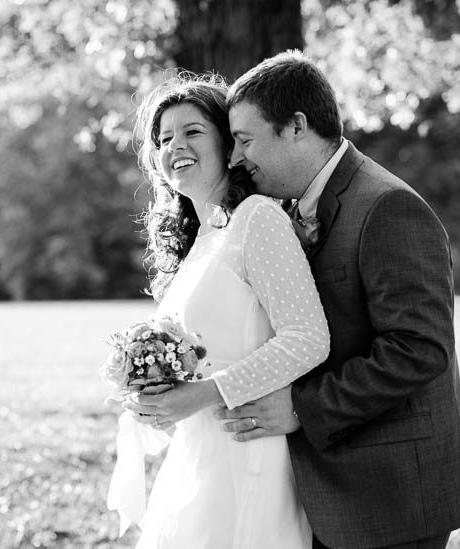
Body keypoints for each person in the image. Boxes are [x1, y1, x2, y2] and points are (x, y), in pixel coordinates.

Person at [218, 49, 460, 549]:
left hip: (389, 500)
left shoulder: (387, 206)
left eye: (244, 139)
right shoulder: (285, 210)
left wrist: (304, 409)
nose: (236, 158)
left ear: (297, 126)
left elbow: (419, 348)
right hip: (327, 497)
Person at [108, 71, 330, 548]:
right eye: (164, 138)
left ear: (229, 146)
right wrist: (156, 396)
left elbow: (308, 338)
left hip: (246, 455)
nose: (175, 146)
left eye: (192, 132)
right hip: (196, 458)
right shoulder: (203, 238)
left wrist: (205, 394)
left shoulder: (258, 219)